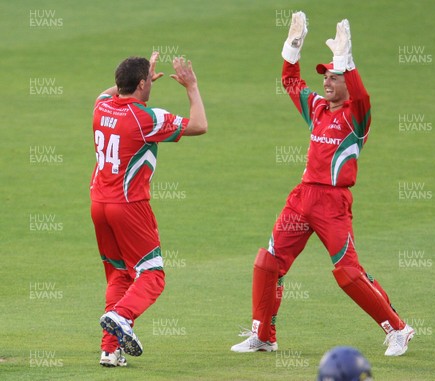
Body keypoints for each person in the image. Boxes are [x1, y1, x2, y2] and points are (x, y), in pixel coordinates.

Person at [231, 12, 414, 357]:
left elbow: (361, 96)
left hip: (333, 203)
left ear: (347, 82)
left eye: (334, 77)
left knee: (348, 273)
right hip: (301, 197)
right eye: (326, 76)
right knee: (268, 263)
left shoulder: (356, 117)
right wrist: (293, 45)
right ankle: (264, 335)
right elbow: (290, 82)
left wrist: (347, 59)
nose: (327, 82)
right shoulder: (317, 109)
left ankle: (398, 329)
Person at [90, 52, 207, 367]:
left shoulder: (101, 108)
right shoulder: (146, 118)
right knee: (152, 274)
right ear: (143, 84)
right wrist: (191, 86)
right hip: (129, 206)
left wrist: (131, 83)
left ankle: (110, 350)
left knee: (119, 274)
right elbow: (199, 125)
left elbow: (106, 93)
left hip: (99, 204)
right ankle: (121, 315)